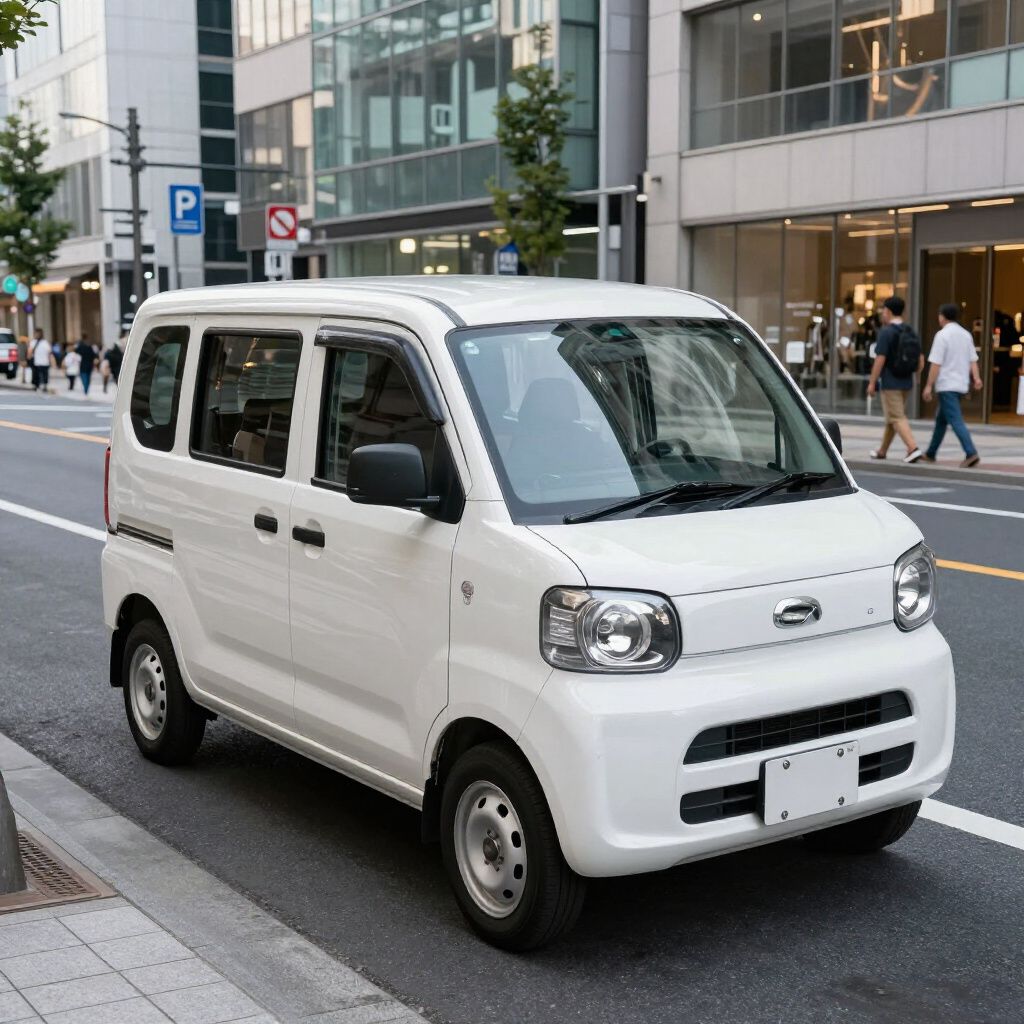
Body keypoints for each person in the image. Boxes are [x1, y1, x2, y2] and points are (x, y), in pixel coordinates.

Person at [922, 304, 983, 468]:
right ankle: (930, 453)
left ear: (942, 316)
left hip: (946, 384)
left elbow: (936, 363)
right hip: (961, 383)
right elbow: (973, 360)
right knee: (941, 420)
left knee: (955, 420)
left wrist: (928, 385)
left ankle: (971, 452)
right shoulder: (966, 335)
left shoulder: (942, 335)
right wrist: (976, 378)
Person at [866, 296, 924, 463]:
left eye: (883, 310)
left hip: (891, 383)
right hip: (907, 381)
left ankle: (912, 448)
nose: (883, 314)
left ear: (888, 311)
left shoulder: (886, 332)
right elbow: (920, 359)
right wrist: (917, 378)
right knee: (892, 417)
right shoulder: (910, 330)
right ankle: (882, 451)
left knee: (897, 417)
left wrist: (872, 382)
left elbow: (880, 359)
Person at [30, 328, 52, 393]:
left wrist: (51, 361)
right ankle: (37, 386)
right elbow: (30, 352)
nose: (36, 335)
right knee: (37, 375)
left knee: (44, 375)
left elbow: (49, 353)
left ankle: (43, 386)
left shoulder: (44, 342)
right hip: (37, 362)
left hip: (44, 362)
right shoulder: (34, 342)